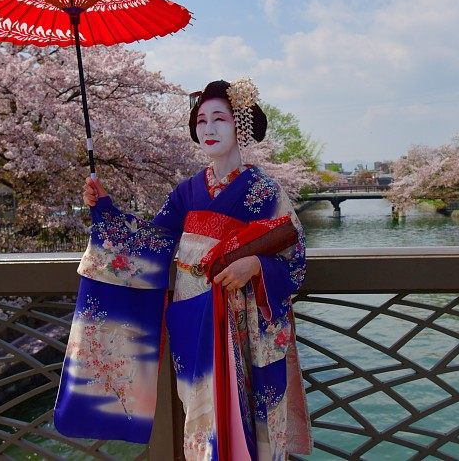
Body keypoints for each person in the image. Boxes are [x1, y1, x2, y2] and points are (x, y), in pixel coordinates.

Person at [54, 79, 312, 460]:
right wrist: (104, 207)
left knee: (253, 425)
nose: (208, 128)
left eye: (220, 118)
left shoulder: (265, 190)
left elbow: (295, 253)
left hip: (246, 325)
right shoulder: (187, 191)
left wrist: (255, 263)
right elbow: (152, 242)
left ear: (239, 125)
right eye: (202, 120)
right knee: (201, 417)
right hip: (194, 314)